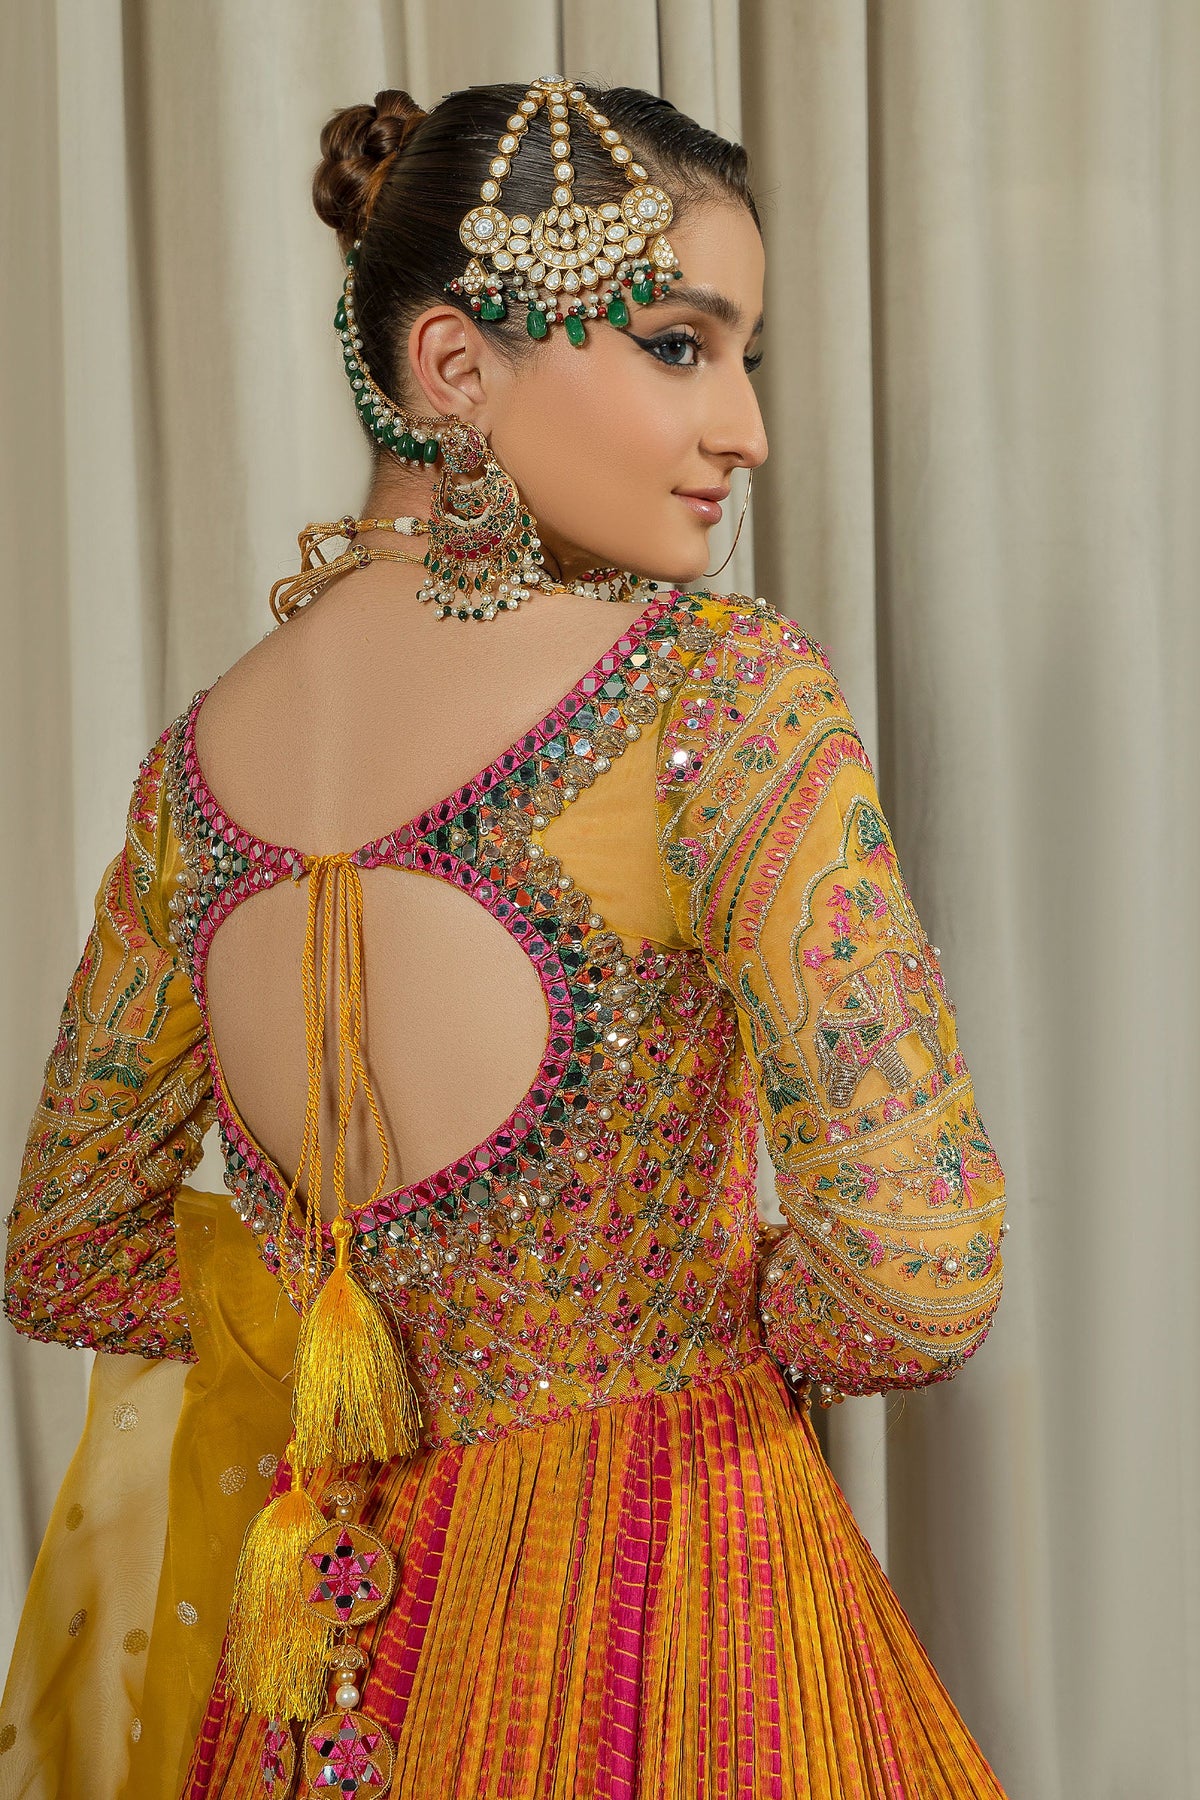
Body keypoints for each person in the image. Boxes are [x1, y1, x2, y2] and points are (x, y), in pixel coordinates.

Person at [1, 76, 1009, 1800]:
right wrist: (653, 1319)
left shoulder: (194, 775)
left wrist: (365, 1341)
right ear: (455, 367)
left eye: (746, 355)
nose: (748, 430)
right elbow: (916, 1283)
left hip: (329, 1645)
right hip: (675, 1616)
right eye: (681, 346)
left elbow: (71, 1254)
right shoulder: (714, 698)